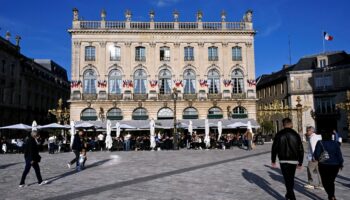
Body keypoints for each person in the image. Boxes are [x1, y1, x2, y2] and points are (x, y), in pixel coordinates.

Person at [271, 118, 304, 200]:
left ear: (283, 125)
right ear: (291, 124)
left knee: (287, 178)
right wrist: (300, 162)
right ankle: (290, 194)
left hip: (283, 159)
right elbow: (301, 149)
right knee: (291, 178)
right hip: (293, 160)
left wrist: (273, 160)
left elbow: (274, 148)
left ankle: (290, 195)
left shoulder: (279, 134)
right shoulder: (296, 134)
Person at [314, 130, 344, 200]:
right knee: (331, 181)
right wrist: (341, 163)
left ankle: (331, 196)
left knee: (325, 182)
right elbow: (339, 154)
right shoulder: (336, 143)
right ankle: (332, 196)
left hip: (323, 165)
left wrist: (317, 158)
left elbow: (316, 155)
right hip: (335, 165)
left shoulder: (320, 142)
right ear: (331, 136)